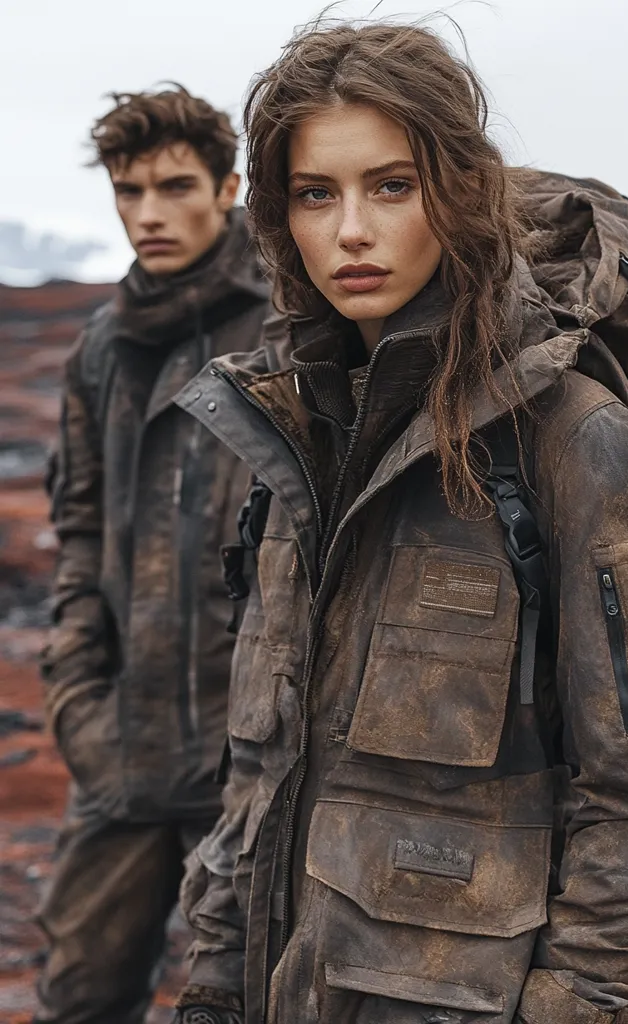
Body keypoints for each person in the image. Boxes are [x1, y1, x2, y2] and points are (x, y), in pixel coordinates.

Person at [171, 22, 628, 1024]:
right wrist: (214, 989)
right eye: (317, 192)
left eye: (391, 186)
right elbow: (260, 772)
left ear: (456, 192)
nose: (351, 229)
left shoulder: (574, 441)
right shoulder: (296, 437)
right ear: (278, 215)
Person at [36, 85, 276, 1024]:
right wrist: (75, 692)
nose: (148, 214)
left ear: (228, 189)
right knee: (79, 994)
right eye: (129, 192)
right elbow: (81, 531)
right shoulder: (101, 347)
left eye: (174, 187)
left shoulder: (291, 327)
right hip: (121, 746)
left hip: (251, 757)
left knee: (253, 999)